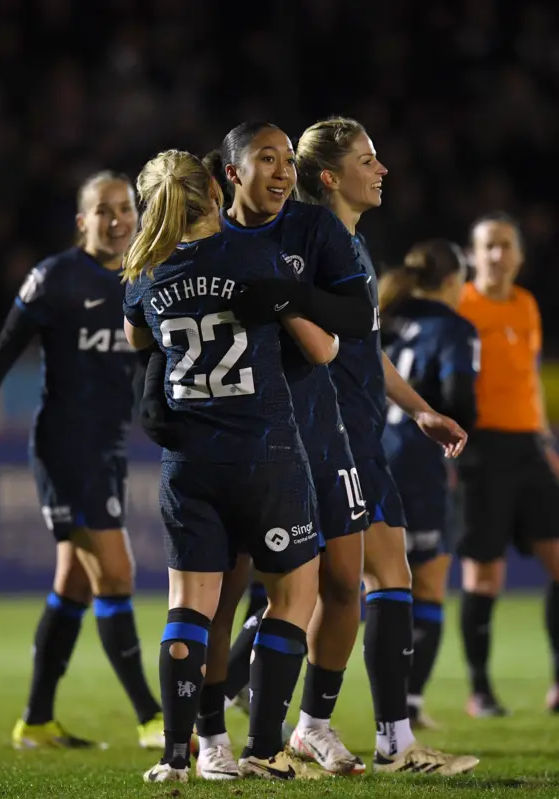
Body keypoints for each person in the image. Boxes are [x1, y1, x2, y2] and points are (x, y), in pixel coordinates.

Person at [122, 148, 336, 783]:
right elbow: (322, 350)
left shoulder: (145, 271)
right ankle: (263, 747)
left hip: (188, 462)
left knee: (189, 607)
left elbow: (140, 344)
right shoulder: (252, 255)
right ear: (216, 189)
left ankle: (176, 756)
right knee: (294, 595)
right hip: (265, 454)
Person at [0, 171, 164, 751]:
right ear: (82, 221)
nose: (117, 220)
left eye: (126, 209)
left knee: (76, 585)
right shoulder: (56, 278)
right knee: (116, 572)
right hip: (65, 446)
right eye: (104, 211)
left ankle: (36, 719)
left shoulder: (143, 280)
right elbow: (0, 356)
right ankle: (150, 716)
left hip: (110, 445)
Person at [278, 116, 477, 774]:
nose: (382, 168)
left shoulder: (354, 246)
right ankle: (290, 711)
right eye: (368, 159)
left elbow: (366, 351)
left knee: (381, 577)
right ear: (331, 177)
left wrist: (421, 410)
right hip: (330, 433)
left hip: (366, 433)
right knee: (341, 586)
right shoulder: (311, 239)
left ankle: (380, 734)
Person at [187, 120, 377, 777]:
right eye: (265, 160)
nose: (280, 171)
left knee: (345, 582)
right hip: (245, 442)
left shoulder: (312, 230)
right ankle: (213, 733)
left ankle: (311, 726)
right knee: (230, 591)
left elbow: (356, 317)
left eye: (286, 160)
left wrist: (291, 295)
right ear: (233, 172)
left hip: (320, 433)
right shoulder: (206, 240)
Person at [456, 211, 559, 717]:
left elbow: (530, 379)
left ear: (519, 255)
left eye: (505, 246)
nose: (497, 255)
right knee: (484, 578)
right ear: (473, 255)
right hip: (482, 451)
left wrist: (544, 438)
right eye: (488, 246)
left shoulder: (526, 305)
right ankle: (480, 691)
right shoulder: (460, 306)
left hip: (529, 449)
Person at [378, 240, 480, 728]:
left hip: (367, 457)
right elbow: (461, 399)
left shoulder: (385, 315)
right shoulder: (454, 328)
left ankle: (242, 687)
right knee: (429, 586)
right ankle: (408, 706)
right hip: (419, 465)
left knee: (331, 586)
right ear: (452, 282)